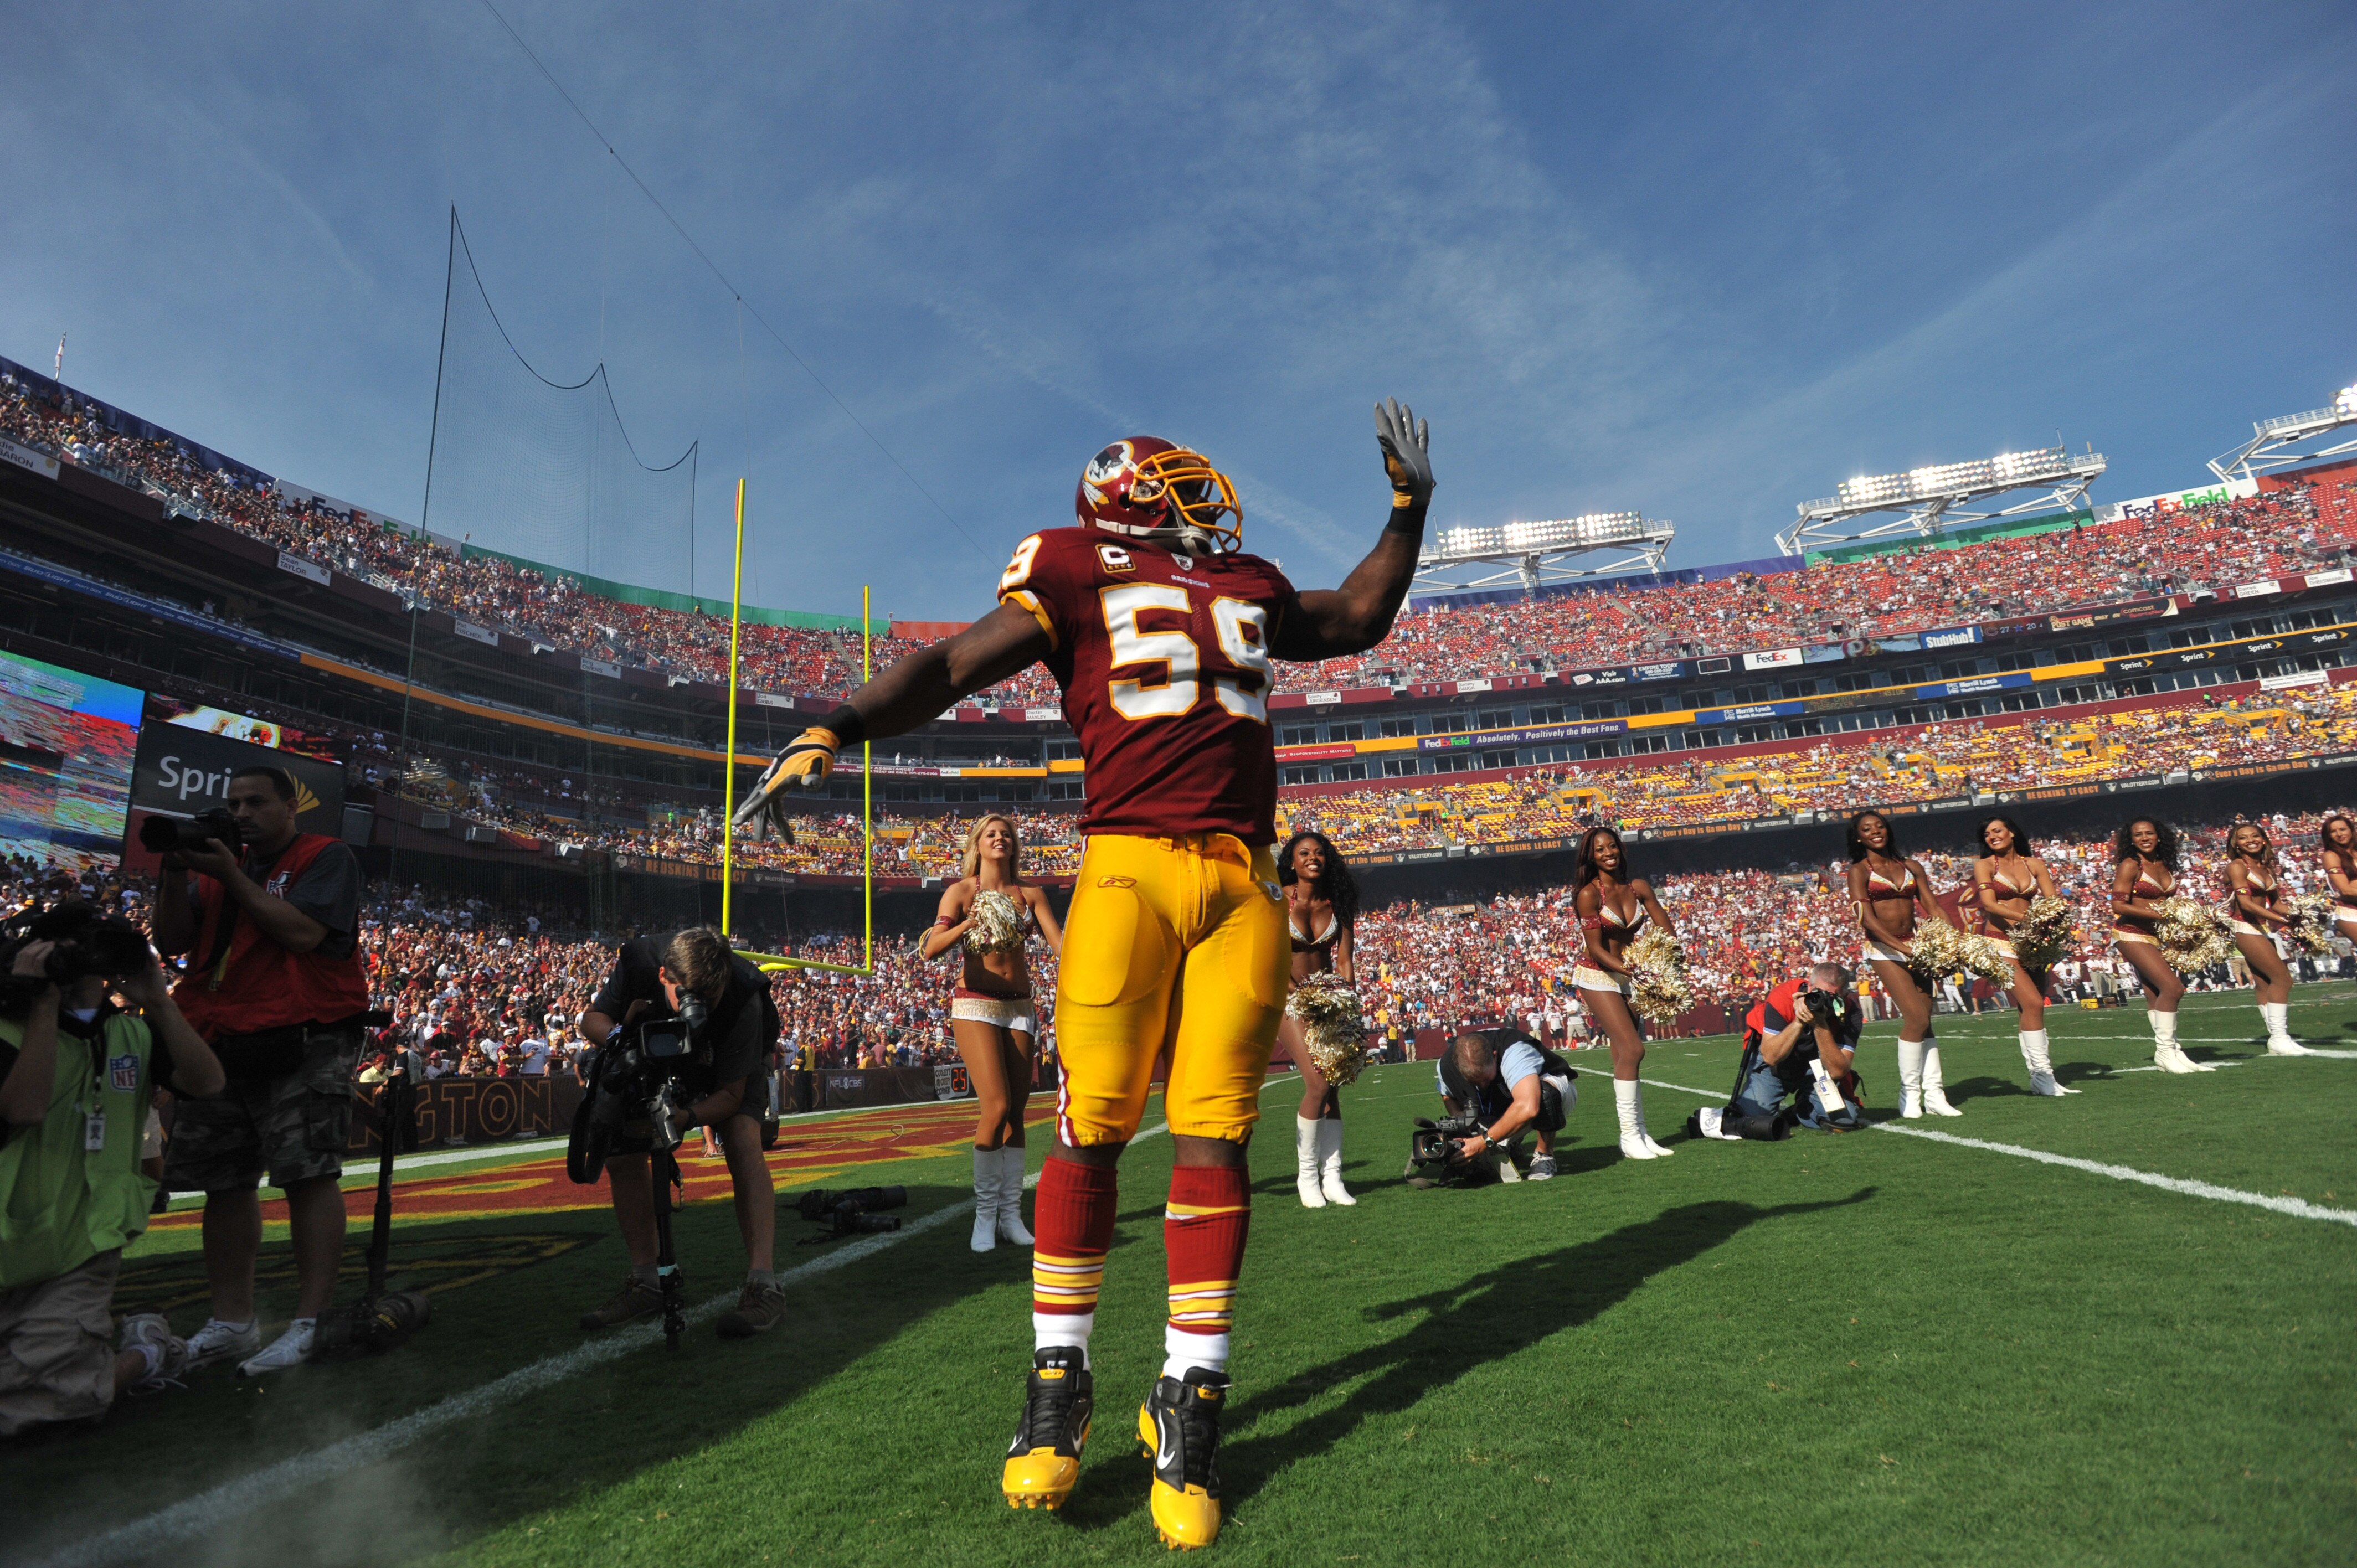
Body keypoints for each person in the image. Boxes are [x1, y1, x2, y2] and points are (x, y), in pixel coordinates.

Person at [733, 401, 1434, 1548]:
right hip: (1125, 867)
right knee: (1093, 1128)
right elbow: (956, 664)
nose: (1204, 499)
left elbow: (1356, 616)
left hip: (1242, 882)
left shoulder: (1248, 581)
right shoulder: (1068, 562)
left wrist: (1408, 511)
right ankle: (1057, 1387)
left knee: (1214, 1136)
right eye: (1177, 483)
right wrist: (837, 725)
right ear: (1127, 492)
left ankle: (1189, 1396)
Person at [150, 766, 370, 1377]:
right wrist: (174, 876)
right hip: (222, 1033)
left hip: (303, 1035)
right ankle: (232, 1321)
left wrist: (229, 877)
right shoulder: (220, 868)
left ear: (289, 809)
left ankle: (310, 1320)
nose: (241, 813)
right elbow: (173, 944)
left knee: (307, 1174)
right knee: (223, 1181)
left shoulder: (326, 856)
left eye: (255, 802)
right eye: (233, 803)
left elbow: (302, 934)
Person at [0, 905, 224, 1436]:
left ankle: (148, 1354)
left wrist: (158, 1001)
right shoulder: (9, 1031)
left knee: (32, 1408)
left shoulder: (133, 1035)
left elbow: (208, 1083)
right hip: (11, 1234)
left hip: (82, 1245)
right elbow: (25, 1109)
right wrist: (41, 1003)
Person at [578, 927, 785, 1338]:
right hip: (647, 1047)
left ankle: (765, 1282)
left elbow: (730, 1095)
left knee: (743, 1139)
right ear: (662, 978)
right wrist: (623, 1041)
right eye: (690, 995)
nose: (698, 1008)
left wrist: (686, 1116)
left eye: (710, 997)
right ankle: (647, 1280)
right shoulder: (638, 961)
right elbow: (592, 1019)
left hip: (725, 1058)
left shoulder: (743, 995)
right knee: (623, 1153)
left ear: (726, 978)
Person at [919, 814, 1064, 1251]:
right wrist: (968, 923)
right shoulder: (962, 892)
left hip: (1020, 1007)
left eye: (1006, 835)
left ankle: (1010, 1216)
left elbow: (1062, 947)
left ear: (1013, 846)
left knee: (1017, 1112)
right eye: (991, 834)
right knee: (996, 1105)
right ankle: (983, 1217)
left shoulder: (1031, 894)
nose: (999, 839)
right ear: (977, 845)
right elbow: (930, 948)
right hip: (975, 1003)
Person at [1570, 826, 1678, 1160]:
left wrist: (1670, 960)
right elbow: (1597, 949)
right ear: (1592, 856)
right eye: (1600, 849)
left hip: (1632, 975)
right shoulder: (1589, 895)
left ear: (1621, 849)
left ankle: (1641, 1135)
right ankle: (1630, 1137)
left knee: (1623, 1055)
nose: (1608, 853)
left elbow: (1666, 927)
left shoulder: (1639, 888)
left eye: (1612, 846)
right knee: (1633, 1050)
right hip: (1598, 975)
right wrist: (1636, 971)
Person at [1846, 809, 1961, 1119]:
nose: (1875, 831)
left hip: (1917, 947)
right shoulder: (1858, 871)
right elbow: (1867, 920)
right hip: (1884, 949)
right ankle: (1909, 1095)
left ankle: (1935, 1094)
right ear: (1859, 837)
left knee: (1926, 1018)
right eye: (1867, 829)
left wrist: (1953, 943)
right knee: (1915, 1018)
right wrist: (1904, 950)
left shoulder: (1911, 866)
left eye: (1880, 826)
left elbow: (1933, 907)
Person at [1689, 962, 1865, 1140]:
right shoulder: (1784, 996)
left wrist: (1820, 1024)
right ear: (1809, 987)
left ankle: (1802, 1109)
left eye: (1831, 997)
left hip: (1815, 1070)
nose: (1822, 1000)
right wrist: (1798, 1022)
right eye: (1818, 993)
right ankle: (1800, 1106)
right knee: (1752, 1118)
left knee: (1845, 1120)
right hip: (1776, 1067)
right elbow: (1771, 1057)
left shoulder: (1849, 1011)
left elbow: (1838, 1071)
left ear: (1844, 996)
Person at [1278, 829, 1360, 1208]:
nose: (1313, 857)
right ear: (1291, 861)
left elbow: (1344, 961)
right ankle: (1307, 1176)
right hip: (1287, 998)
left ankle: (1334, 1177)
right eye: (1304, 852)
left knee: (1335, 1085)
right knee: (1317, 1082)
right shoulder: (1276, 900)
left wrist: (1345, 1001)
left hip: (1329, 1000)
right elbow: (1268, 957)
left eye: (1320, 852)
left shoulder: (1339, 901)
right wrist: (1298, 994)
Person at [1972, 816, 2077, 1097]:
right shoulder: (1985, 865)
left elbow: (2052, 901)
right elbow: (1989, 904)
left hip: (2032, 945)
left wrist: (2054, 921)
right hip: (1999, 942)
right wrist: (2027, 918)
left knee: (2028, 1008)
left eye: (1997, 831)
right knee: (2033, 1002)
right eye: (1987, 834)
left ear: (2012, 833)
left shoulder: (2035, 864)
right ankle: (2044, 1076)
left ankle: (2040, 1079)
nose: (1992, 836)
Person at [2110, 817, 2206, 1074]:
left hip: (2156, 937)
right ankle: (2164, 1052)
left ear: (2159, 836)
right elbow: (2118, 906)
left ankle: (2172, 1050)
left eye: (2149, 833)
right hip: (2130, 933)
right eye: (2138, 834)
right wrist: (2163, 916)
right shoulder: (2131, 865)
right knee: (2173, 989)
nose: (2144, 838)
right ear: (2131, 840)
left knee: (2155, 994)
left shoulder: (2165, 865)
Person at [1428, 1028, 1576, 1181]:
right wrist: (1460, 1120)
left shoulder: (1515, 1052)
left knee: (1546, 1096)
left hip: (1551, 1092)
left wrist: (1483, 1141)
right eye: (1475, 1082)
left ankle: (1545, 1155)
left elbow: (1529, 1107)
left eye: (1485, 1078)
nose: (1483, 1085)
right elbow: (1447, 1095)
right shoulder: (1446, 1067)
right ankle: (1511, 1145)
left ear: (1494, 1057)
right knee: (1476, 1166)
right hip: (1500, 1104)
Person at [2221, 822, 2312, 1056]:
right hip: (2244, 926)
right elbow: (2246, 904)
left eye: (2255, 836)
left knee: (2263, 983)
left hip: (2259, 927)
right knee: (2283, 980)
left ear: (2263, 839)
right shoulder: (2237, 866)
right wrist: (2281, 921)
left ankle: (2276, 1037)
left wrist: (2300, 914)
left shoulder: (2264, 868)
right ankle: (2280, 1037)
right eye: (2243, 838)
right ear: (2236, 843)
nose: (2250, 840)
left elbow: (2277, 903)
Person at [2319, 814, 2357, 948]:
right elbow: (2345, 890)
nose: (2339, 834)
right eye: (2333, 831)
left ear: (2351, 830)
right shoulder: (2330, 856)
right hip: (2351, 914)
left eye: (2343, 829)